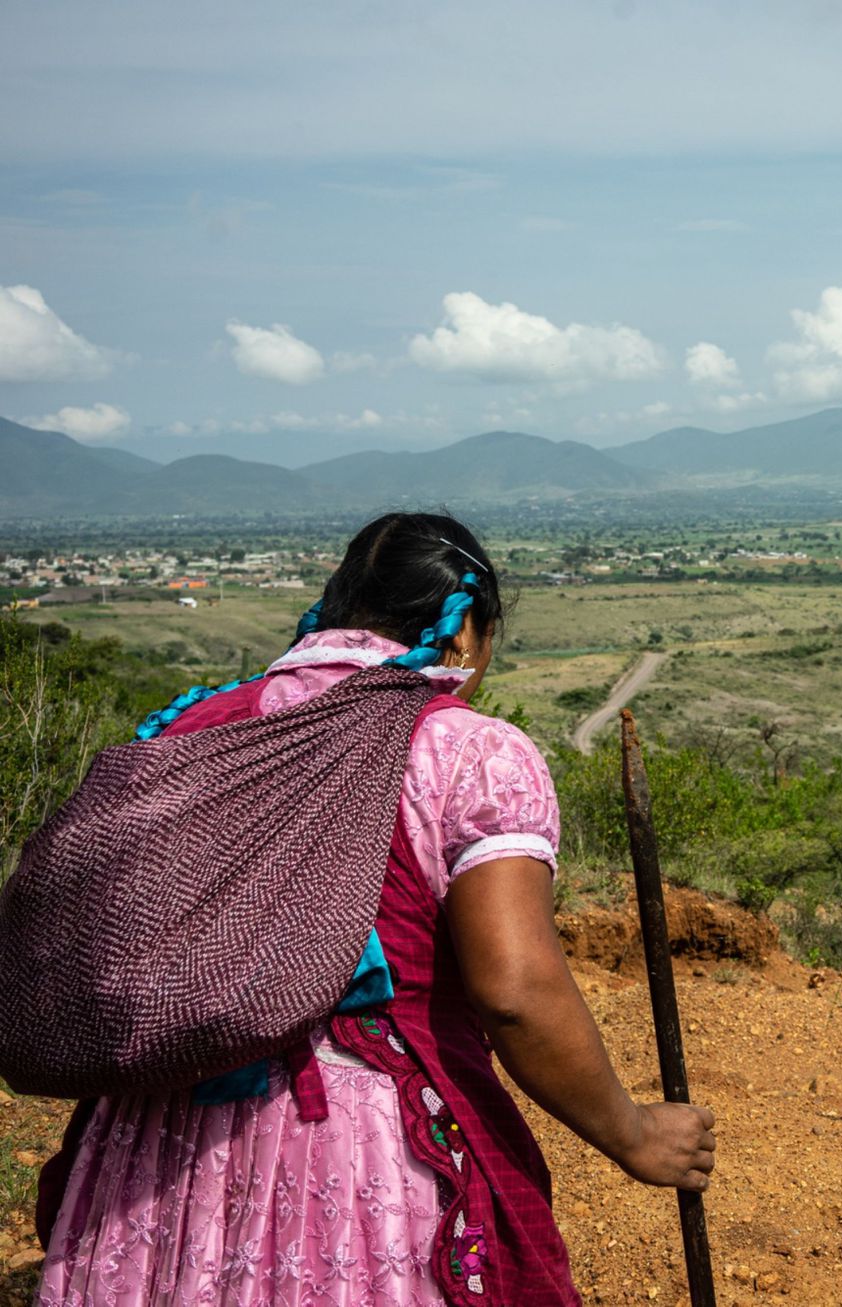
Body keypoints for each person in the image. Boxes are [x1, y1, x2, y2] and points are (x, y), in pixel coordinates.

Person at [32, 512, 715, 1306]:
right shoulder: (467, 750)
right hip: (347, 1148)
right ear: (463, 635)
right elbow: (515, 991)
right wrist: (633, 1133)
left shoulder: (189, 728)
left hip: (157, 1138)